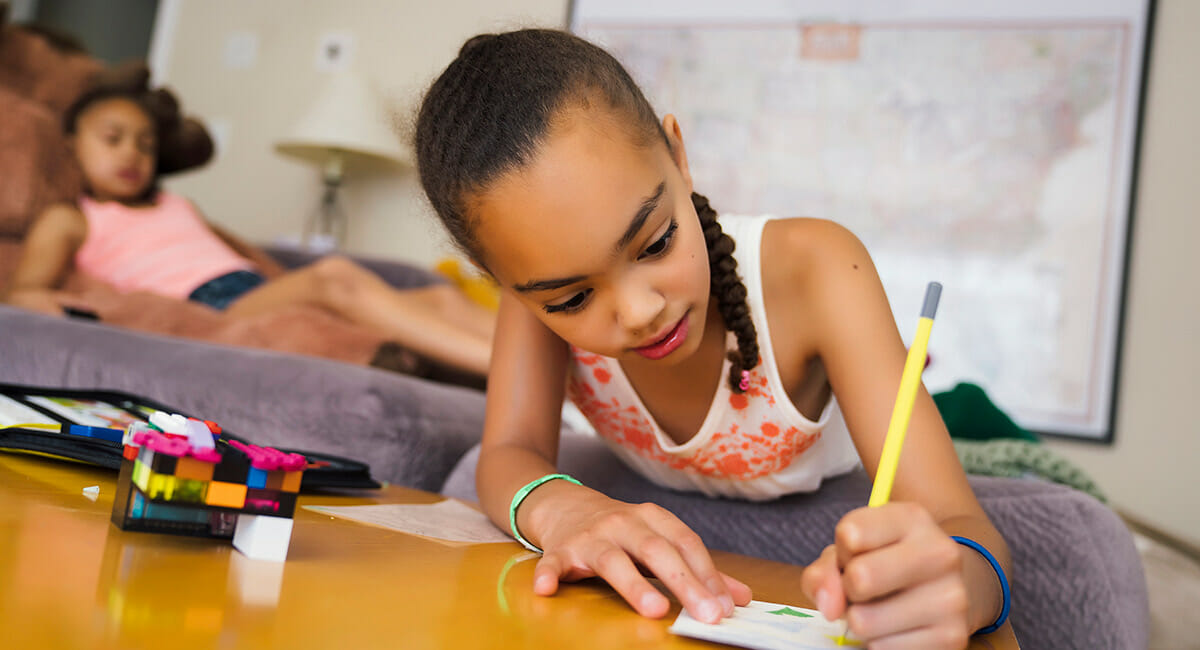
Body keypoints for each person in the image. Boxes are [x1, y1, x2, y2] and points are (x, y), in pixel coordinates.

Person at [414, 28, 1011, 648]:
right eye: (571, 300)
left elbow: (964, 527)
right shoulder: (530, 296)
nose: (641, 311)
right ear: (505, 282)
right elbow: (508, 451)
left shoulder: (818, 269)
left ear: (677, 156)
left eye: (655, 243)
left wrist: (962, 587)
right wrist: (565, 509)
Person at [3, 84, 494, 381]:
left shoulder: (177, 204)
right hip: (214, 306)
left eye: (145, 144)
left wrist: (293, 283)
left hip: (256, 288)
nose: (130, 154)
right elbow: (26, 290)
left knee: (438, 297)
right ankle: (496, 369)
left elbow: (245, 256)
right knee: (335, 276)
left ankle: (560, 371)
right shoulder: (74, 217)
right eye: (112, 139)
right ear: (71, 147)